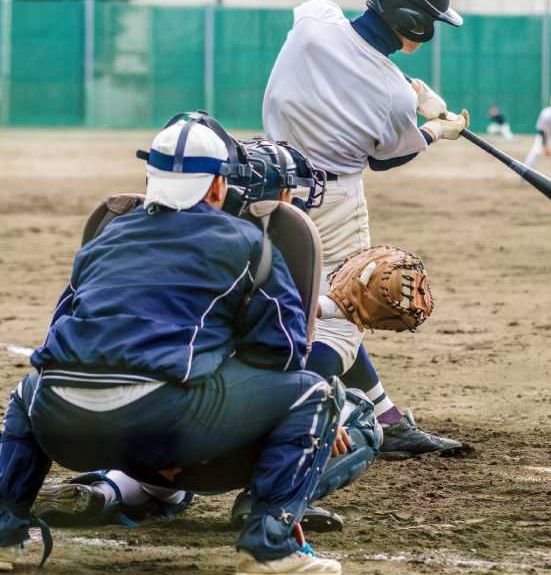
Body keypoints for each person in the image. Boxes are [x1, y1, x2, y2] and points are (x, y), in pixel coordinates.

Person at [1, 117, 374, 574]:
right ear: (218, 186)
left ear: (149, 179)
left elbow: (61, 335)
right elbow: (282, 353)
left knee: (28, 388)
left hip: (60, 423)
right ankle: (270, 548)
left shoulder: (106, 236)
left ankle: (4, 532)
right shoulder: (246, 242)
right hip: (163, 425)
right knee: (315, 393)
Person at [263, 0, 466, 461]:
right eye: (433, 21)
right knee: (345, 313)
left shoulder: (315, 18)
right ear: (414, 24)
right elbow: (387, 157)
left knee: (281, 303)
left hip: (266, 188)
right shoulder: (391, 93)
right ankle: (288, 412)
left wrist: (408, 87)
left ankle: (386, 419)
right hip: (332, 203)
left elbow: (348, 55)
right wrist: (437, 129)